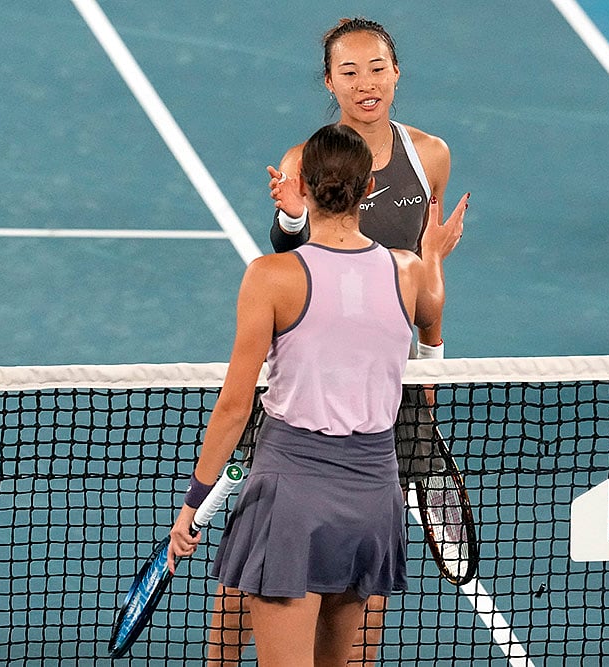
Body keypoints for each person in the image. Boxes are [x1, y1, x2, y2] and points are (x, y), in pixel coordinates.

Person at [167, 123, 468, 667]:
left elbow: (234, 406)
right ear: (367, 189)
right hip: (373, 496)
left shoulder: (270, 277)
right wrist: (433, 253)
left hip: (292, 495)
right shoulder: (407, 272)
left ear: (303, 186)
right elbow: (431, 317)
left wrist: (194, 502)